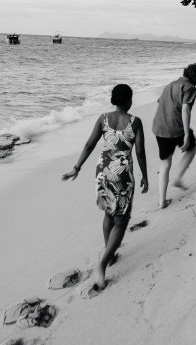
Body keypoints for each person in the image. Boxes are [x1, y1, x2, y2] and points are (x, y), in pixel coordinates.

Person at [62, 84, 149, 289]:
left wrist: (76, 168)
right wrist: (145, 175)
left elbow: (89, 145)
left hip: (102, 171)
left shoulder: (103, 119)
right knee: (122, 218)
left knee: (109, 214)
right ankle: (103, 262)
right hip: (122, 173)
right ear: (128, 100)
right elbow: (140, 152)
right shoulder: (135, 122)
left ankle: (109, 255)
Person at [152, 63, 196, 208]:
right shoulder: (190, 88)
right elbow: (185, 109)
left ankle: (162, 201)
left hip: (159, 127)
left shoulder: (170, 85)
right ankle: (178, 178)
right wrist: (187, 134)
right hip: (176, 128)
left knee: (165, 163)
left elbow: (160, 102)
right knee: (192, 148)